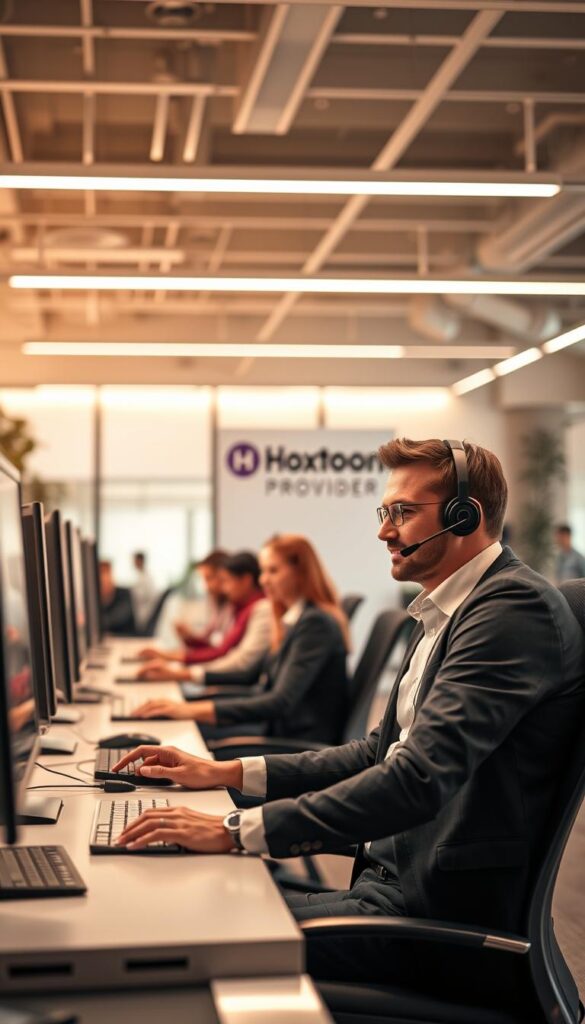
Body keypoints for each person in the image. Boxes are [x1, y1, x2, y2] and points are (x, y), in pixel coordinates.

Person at [112, 438, 584, 1010]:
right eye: (385, 512)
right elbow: (375, 753)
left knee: (190, 932)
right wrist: (225, 772)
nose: (384, 531)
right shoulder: (446, 609)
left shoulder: (511, 611)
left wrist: (236, 830)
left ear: (465, 516)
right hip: (392, 893)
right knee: (193, 899)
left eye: (403, 512)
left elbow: (415, 779)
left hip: (440, 927)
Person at [129, 534, 350, 745]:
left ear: (301, 573)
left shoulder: (314, 624)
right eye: (263, 571)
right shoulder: (292, 619)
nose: (263, 580)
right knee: (174, 726)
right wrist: (187, 704)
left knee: (176, 732)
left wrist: (191, 709)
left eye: (273, 571)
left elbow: (280, 701)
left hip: (296, 742)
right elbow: (249, 676)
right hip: (277, 729)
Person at [134, 551, 271, 682]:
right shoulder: (238, 607)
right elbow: (216, 647)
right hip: (220, 677)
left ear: (246, 580)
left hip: (230, 682)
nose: (224, 588)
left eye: (226, 581)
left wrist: (180, 670)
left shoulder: (258, 608)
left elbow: (226, 653)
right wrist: (188, 642)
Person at [138, 549, 233, 658]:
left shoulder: (234, 607)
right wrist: (188, 637)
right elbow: (209, 643)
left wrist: (169, 656)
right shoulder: (218, 603)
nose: (206, 587)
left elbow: (221, 651)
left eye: (209, 578)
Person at [99, 559, 136, 636]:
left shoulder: (123, 593)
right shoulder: (95, 598)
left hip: (125, 636)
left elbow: (119, 616)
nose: (104, 579)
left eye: (106, 574)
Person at [130, 551, 157, 631]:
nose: (133, 563)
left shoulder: (147, 578)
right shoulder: (141, 576)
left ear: (140, 561)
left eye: (135, 560)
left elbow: (143, 596)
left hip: (146, 613)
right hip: (142, 613)